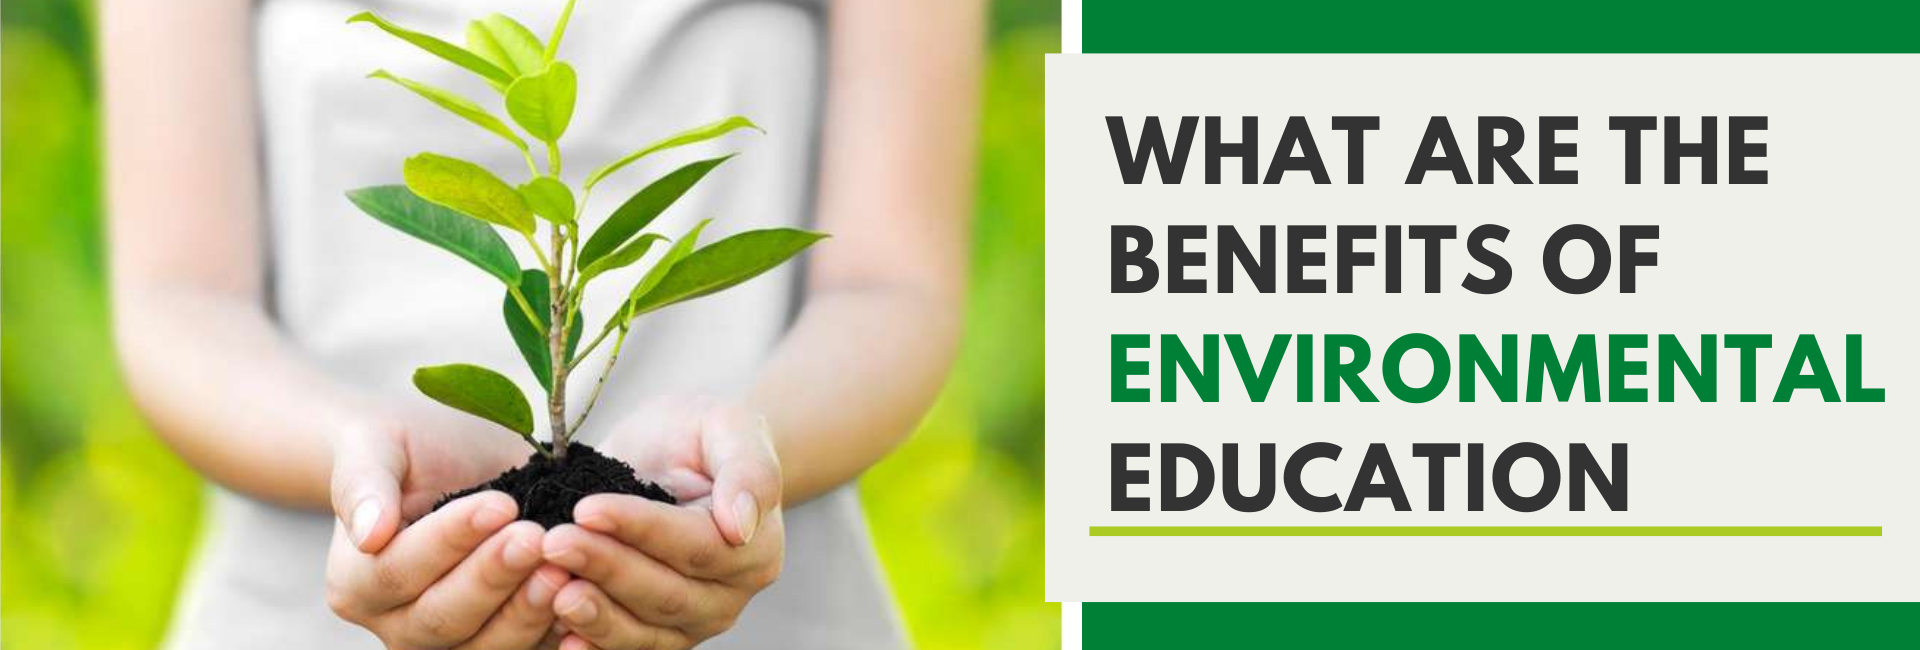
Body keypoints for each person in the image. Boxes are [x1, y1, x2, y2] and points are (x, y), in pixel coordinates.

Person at [102, 0, 980, 648]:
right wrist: (358, 458)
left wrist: (746, 461)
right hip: (310, 608)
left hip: (762, 601)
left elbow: (889, 285)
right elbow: (181, 298)